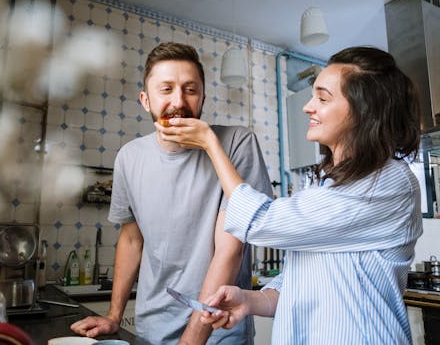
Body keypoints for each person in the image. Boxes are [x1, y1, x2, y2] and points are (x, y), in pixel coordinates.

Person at [156, 46, 423, 344]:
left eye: (322, 98)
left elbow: (261, 222)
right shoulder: (325, 185)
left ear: (364, 111)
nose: (308, 106)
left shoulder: (389, 183)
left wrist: (211, 144)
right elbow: (298, 285)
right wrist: (248, 300)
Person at [70, 42, 273, 344]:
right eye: (166, 89)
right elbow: (130, 239)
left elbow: (230, 251)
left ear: (203, 96)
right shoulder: (129, 157)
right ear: (145, 100)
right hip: (152, 329)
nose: (179, 101)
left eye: (190, 90)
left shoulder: (237, 143)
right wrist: (114, 315)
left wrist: (192, 339)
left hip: (220, 331)